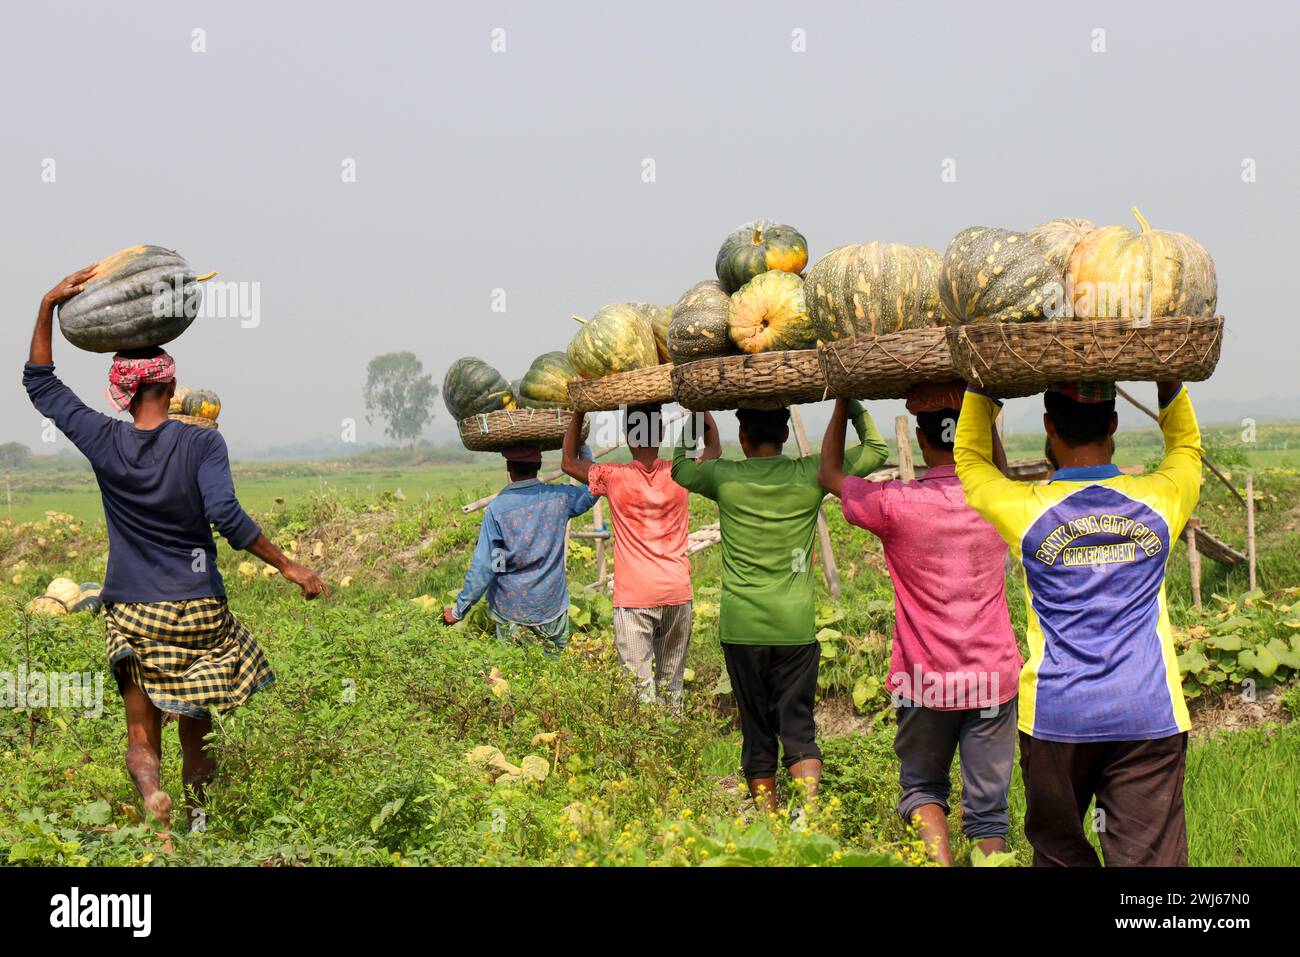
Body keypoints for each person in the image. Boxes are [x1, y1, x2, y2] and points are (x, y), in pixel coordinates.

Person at [24, 265, 328, 844]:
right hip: (200, 610)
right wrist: (289, 565)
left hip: (136, 609)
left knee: (142, 734)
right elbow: (228, 518)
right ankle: (199, 820)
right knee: (196, 721)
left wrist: (46, 305)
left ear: (123, 388)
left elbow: (40, 383)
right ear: (171, 384)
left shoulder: (103, 439)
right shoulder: (202, 441)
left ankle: (153, 805)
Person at [954, 380, 1202, 867]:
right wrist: (1167, 379)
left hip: (1056, 718)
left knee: (1060, 855)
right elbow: (1187, 449)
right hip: (1148, 714)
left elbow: (970, 461)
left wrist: (983, 387)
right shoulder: (1160, 500)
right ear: (1113, 423)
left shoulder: (1024, 510)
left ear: (1049, 426)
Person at [819, 381, 1022, 865]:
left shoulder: (895, 505)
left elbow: (829, 472)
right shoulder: (998, 501)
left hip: (923, 679)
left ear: (923, 440)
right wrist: (985, 410)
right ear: (972, 437)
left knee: (922, 787)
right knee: (989, 811)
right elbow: (1000, 471)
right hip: (992, 678)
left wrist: (843, 400)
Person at [672, 399, 888, 810]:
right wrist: (850, 403)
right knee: (799, 728)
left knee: (756, 731)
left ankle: (771, 827)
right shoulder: (810, 474)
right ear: (786, 435)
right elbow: (877, 451)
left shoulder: (724, 477)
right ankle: (806, 816)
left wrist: (697, 415)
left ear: (743, 436)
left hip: (742, 629)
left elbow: (680, 466)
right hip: (795, 628)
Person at [560, 405, 719, 708]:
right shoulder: (680, 472)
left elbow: (569, 462)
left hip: (635, 599)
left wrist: (580, 412)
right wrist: (698, 407)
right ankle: (675, 746)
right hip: (676, 592)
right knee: (672, 687)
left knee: (638, 692)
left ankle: (647, 754)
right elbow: (714, 448)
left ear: (627, 436)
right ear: (660, 433)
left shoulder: (613, 476)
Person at [444, 443, 596, 653]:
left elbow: (487, 566)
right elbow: (594, 486)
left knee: (512, 676)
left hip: (510, 610)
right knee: (553, 676)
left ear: (509, 467)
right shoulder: (560, 498)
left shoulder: (497, 510)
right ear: (539, 465)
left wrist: (459, 610)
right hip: (550, 606)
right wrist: (582, 447)